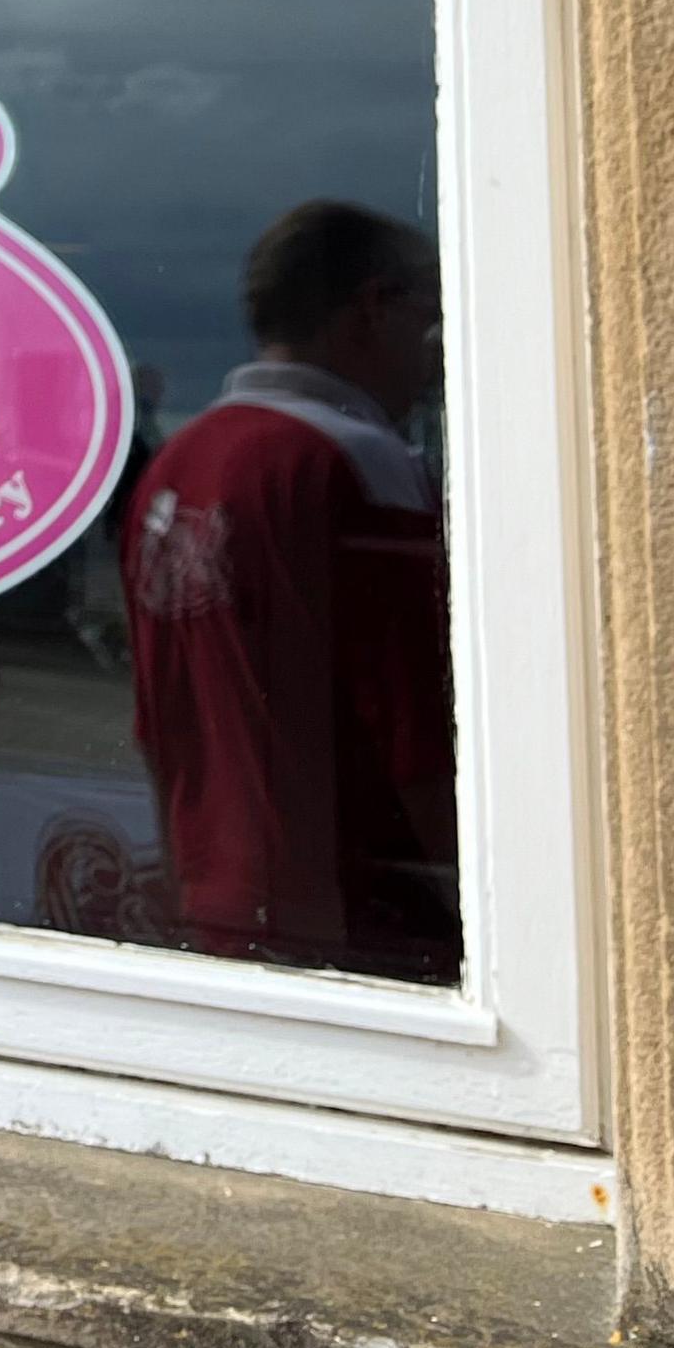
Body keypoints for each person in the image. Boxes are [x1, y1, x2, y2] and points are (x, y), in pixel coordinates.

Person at [120, 199, 460, 982]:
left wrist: (186, 878)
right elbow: (415, 726)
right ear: (372, 309)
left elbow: (155, 719)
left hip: (216, 895)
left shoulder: (176, 466)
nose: (437, 353)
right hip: (355, 917)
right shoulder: (357, 461)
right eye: (430, 319)